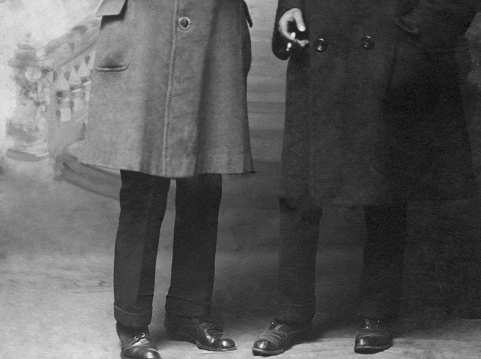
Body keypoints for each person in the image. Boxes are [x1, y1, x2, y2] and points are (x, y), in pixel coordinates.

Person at [252, 0, 479, 356]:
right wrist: (291, 7)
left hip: (390, 52)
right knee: (300, 190)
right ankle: (291, 316)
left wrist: (412, 37)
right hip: (320, 49)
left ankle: (378, 314)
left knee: (385, 189)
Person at [77, 1, 253, 358]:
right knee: (142, 186)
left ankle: (189, 314)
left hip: (213, 25)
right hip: (146, 30)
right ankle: (132, 324)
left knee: (204, 182)